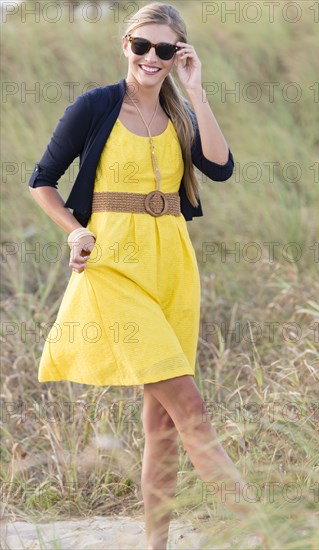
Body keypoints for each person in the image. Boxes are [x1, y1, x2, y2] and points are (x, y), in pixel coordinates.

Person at [28, 3, 255, 549]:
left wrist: (196, 90)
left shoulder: (179, 110)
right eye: (141, 46)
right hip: (113, 266)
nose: (151, 58)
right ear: (124, 46)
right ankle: (264, 532)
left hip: (172, 264)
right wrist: (74, 231)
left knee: (163, 424)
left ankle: (155, 544)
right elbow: (42, 181)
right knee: (191, 406)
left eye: (166, 49)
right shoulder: (96, 106)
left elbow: (219, 167)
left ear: (179, 54)